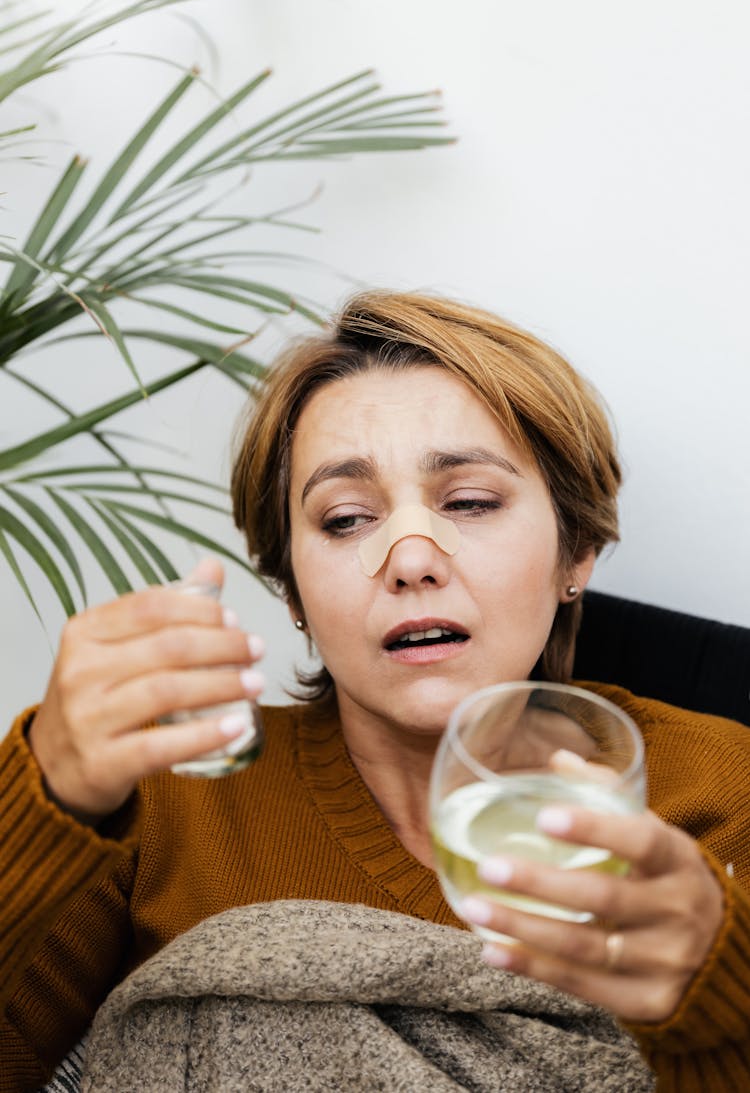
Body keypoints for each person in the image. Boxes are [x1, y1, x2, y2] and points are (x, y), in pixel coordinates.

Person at [1, 290, 748, 1090]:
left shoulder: (725, 791)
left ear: (578, 552)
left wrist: (719, 987)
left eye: (468, 502)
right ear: (291, 590)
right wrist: (40, 803)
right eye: (347, 517)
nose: (410, 558)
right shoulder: (166, 793)